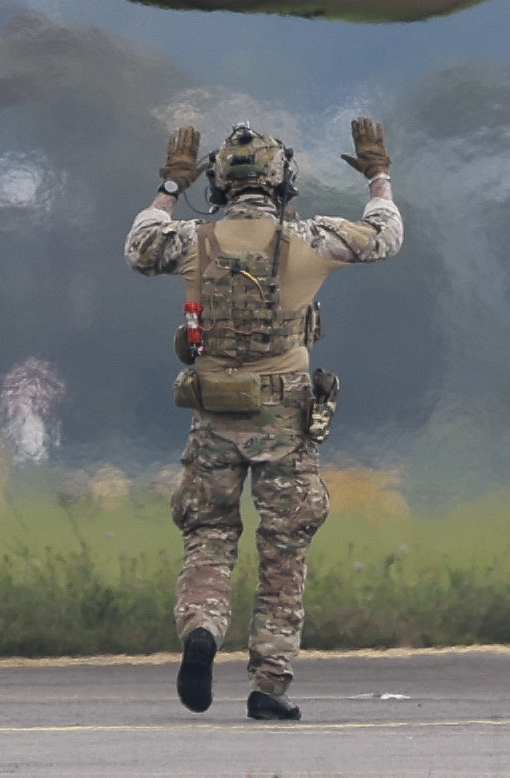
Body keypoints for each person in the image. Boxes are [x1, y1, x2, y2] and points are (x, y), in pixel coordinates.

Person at [129, 116, 401, 722]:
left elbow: (138, 244)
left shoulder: (191, 242)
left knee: (209, 534)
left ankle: (202, 628)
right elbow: (386, 236)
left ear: (219, 183)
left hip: (213, 413)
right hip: (285, 419)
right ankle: (269, 684)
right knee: (284, 546)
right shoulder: (312, 239)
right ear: (282, 183)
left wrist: (170, 187)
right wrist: (378, 175)